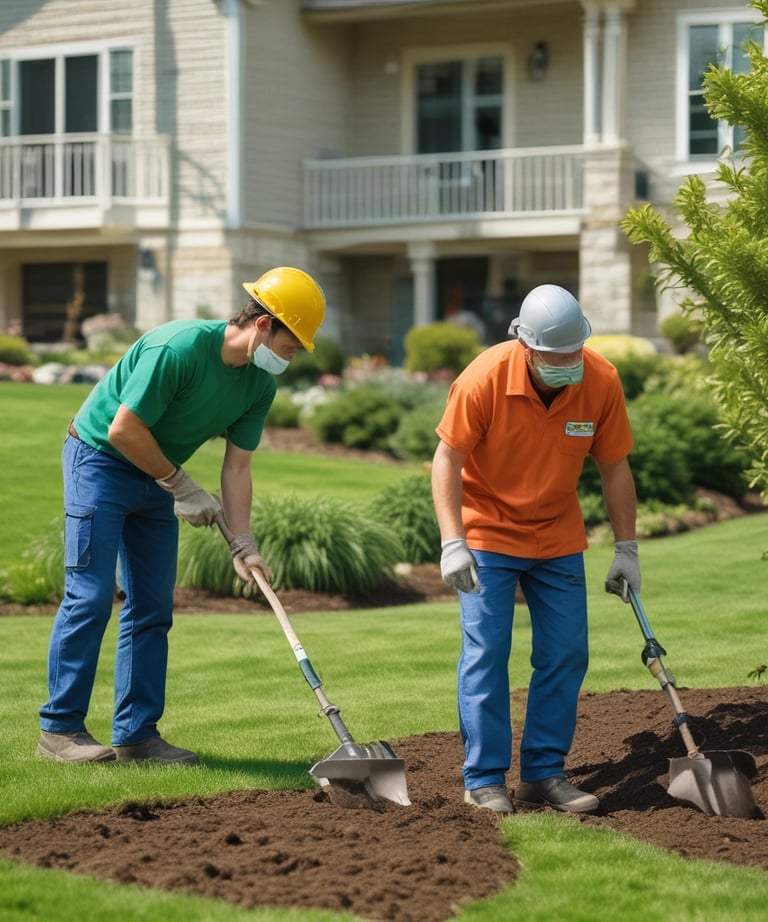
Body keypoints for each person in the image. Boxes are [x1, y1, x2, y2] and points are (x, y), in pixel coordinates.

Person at [38, 266, 326, 765]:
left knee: (153, 607)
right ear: (263, 325)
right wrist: (180, 484)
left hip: (158, 474)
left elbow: (237, 468)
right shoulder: (179, 348)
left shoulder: (259, 386)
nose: (291, 356)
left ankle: (137, 736)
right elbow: (125, 429)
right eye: (291, 344)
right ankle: (59, 732)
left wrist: (243, 541)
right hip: (100, 461)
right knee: (90, 596)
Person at [431, 283, 640, 814]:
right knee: (487, 653)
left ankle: (544, 774)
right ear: (525, 345)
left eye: (574, 352)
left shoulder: (600, 380)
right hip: (487, 534)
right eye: (555, 355)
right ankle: (484, 779)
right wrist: (453, 541)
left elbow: (614, 465)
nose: (568, 363)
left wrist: (627, 548)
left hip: (557, 536)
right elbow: (447, 459)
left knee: (567, 652)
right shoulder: (484, 378)